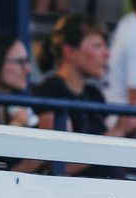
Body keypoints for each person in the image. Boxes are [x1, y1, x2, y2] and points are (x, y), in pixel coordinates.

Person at [32, 15, 113, 150]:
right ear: (70, 52)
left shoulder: (94, 94)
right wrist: (120, 131)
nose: (106, 54)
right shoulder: (51, 91)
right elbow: (58, 160)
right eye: (97, 46)